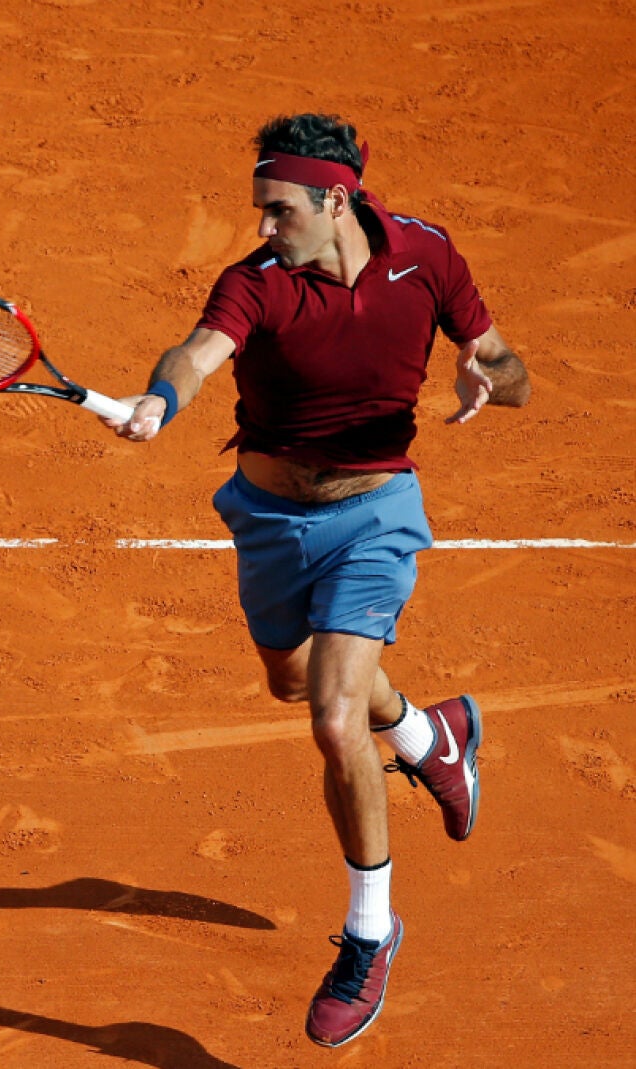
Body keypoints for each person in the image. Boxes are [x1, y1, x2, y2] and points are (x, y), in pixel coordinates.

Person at [104, 113, 530, 1048]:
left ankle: (371, 933)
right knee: (294, 677)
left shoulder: (427, 257)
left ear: (335, 198)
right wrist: (159, 398)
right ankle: (432, 733)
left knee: (335, 718)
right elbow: (196, 352)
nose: (262, 226)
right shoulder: (255, 285)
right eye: (260, 208)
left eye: (279, 209)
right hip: (268, 519)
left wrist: (490, 372)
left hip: (376, 514)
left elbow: (510, 362)